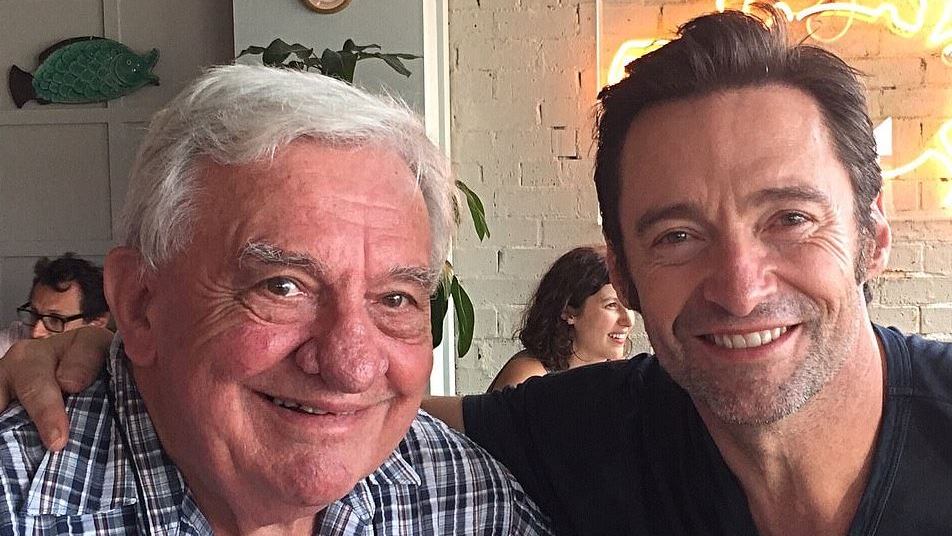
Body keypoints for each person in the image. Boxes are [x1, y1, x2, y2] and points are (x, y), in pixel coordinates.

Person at [6, 7, 952, 536]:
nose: (741, 284)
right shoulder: (566, 445)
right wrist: (114, 345)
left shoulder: (456, 498)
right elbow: (367, 402)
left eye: (791, 219)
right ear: (621, 273)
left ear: (874, 237)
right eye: (281, 284)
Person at [0, 65, 551, 535]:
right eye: (282, 286)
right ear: (140, 303)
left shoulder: (458, 497)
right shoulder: (18, 502)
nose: (352, 367)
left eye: (394, 299)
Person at [487, 246, 635, 391]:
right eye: (611, 305)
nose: (628, 321)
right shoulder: (529, 378)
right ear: (568, 311)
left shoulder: (617, 375)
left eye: (629, 303)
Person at [16, 253, 110, 339]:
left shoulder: (113, 351)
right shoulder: (16, 337)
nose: (35, 333)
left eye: (55, 320)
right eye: (34, 314)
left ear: (96, 325)